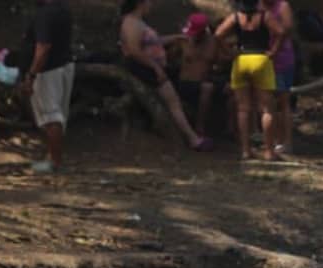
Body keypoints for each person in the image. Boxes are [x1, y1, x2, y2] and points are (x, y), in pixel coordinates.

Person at [119, 0, 212, 152]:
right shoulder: (131, 23)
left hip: (152, 66)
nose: (151, 5)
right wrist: (155, 67)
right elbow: (134, 50)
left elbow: (154, 42)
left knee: (173, 102)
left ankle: (189, 135)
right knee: (173, 103)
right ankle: (193, 139)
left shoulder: (139, 22)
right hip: (145, 68)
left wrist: (175, 37)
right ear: (140, 3)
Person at [216, 0, 282, 161]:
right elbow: (280, 32)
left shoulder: (236, 17)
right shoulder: (265, 16)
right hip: (260, 58)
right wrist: (274, 51)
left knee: (243, 109)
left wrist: (229, 52)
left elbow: (218, 34)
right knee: (267, 108)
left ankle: (246, 150)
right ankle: (269, 151)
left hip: (241, 60)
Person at [22, 0, 74, 173]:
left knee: (51, 117)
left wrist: (32, 74)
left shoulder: (45, 14)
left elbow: (43, 47)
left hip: (47, 70)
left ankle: (55, 162)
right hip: (63, 65)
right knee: (58, 114)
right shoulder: (63, 10)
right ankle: (52, 157)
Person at [175, 13, 218, 138]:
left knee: (207, 88)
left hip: (203, 81)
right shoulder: (183, 39)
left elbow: (221, 59)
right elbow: (172, 56)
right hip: (185, 81)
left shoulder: (213, 41)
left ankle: (200, 126)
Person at [265, 0, 295, 154]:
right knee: (269, 102)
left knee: (283, 101)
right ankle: (276, 139)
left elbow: (287, 29)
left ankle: (287, 141)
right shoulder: (257, 6)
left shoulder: (282, 6)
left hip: (282, 59)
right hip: (263, 60)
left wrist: (274, 49)